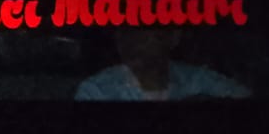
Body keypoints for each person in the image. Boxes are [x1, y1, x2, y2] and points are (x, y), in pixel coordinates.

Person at [75, 27, 249, 102]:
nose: (130, 41)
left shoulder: (200, 81)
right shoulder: (98, 91)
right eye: (124, 32)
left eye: (141, 31)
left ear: (173, 37)